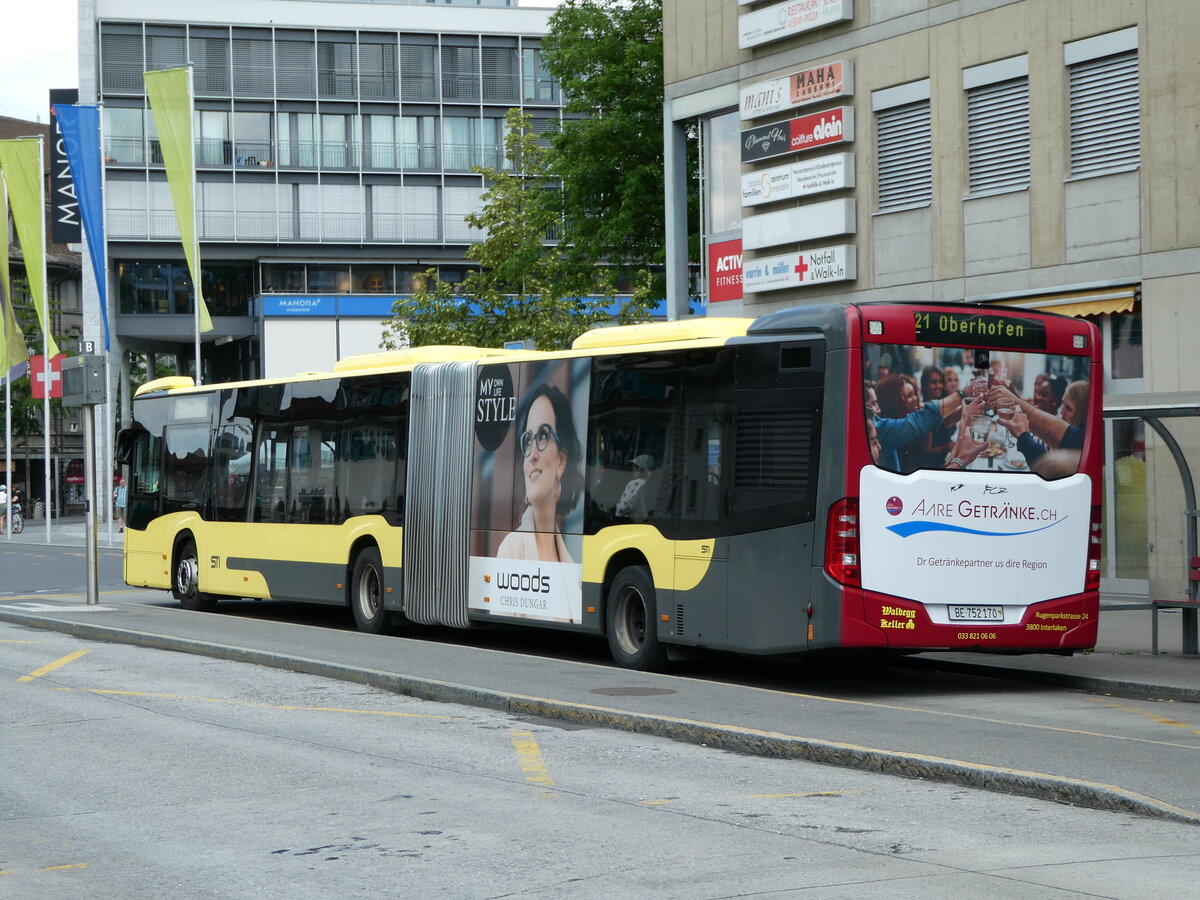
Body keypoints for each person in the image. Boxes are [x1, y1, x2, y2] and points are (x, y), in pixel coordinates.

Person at [497, 382, 584, 564]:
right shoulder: (511, 549)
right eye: (528, 440)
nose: (532, 456)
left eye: (543, 436)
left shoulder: (569, 564)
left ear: (561, 461)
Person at [873, 374, 970, 472]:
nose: (915, 398)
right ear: (894, 401)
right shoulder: (892, 430)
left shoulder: (906, 423)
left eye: (915, 394)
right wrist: (963, 393)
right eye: (909, 395)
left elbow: (943, 423)